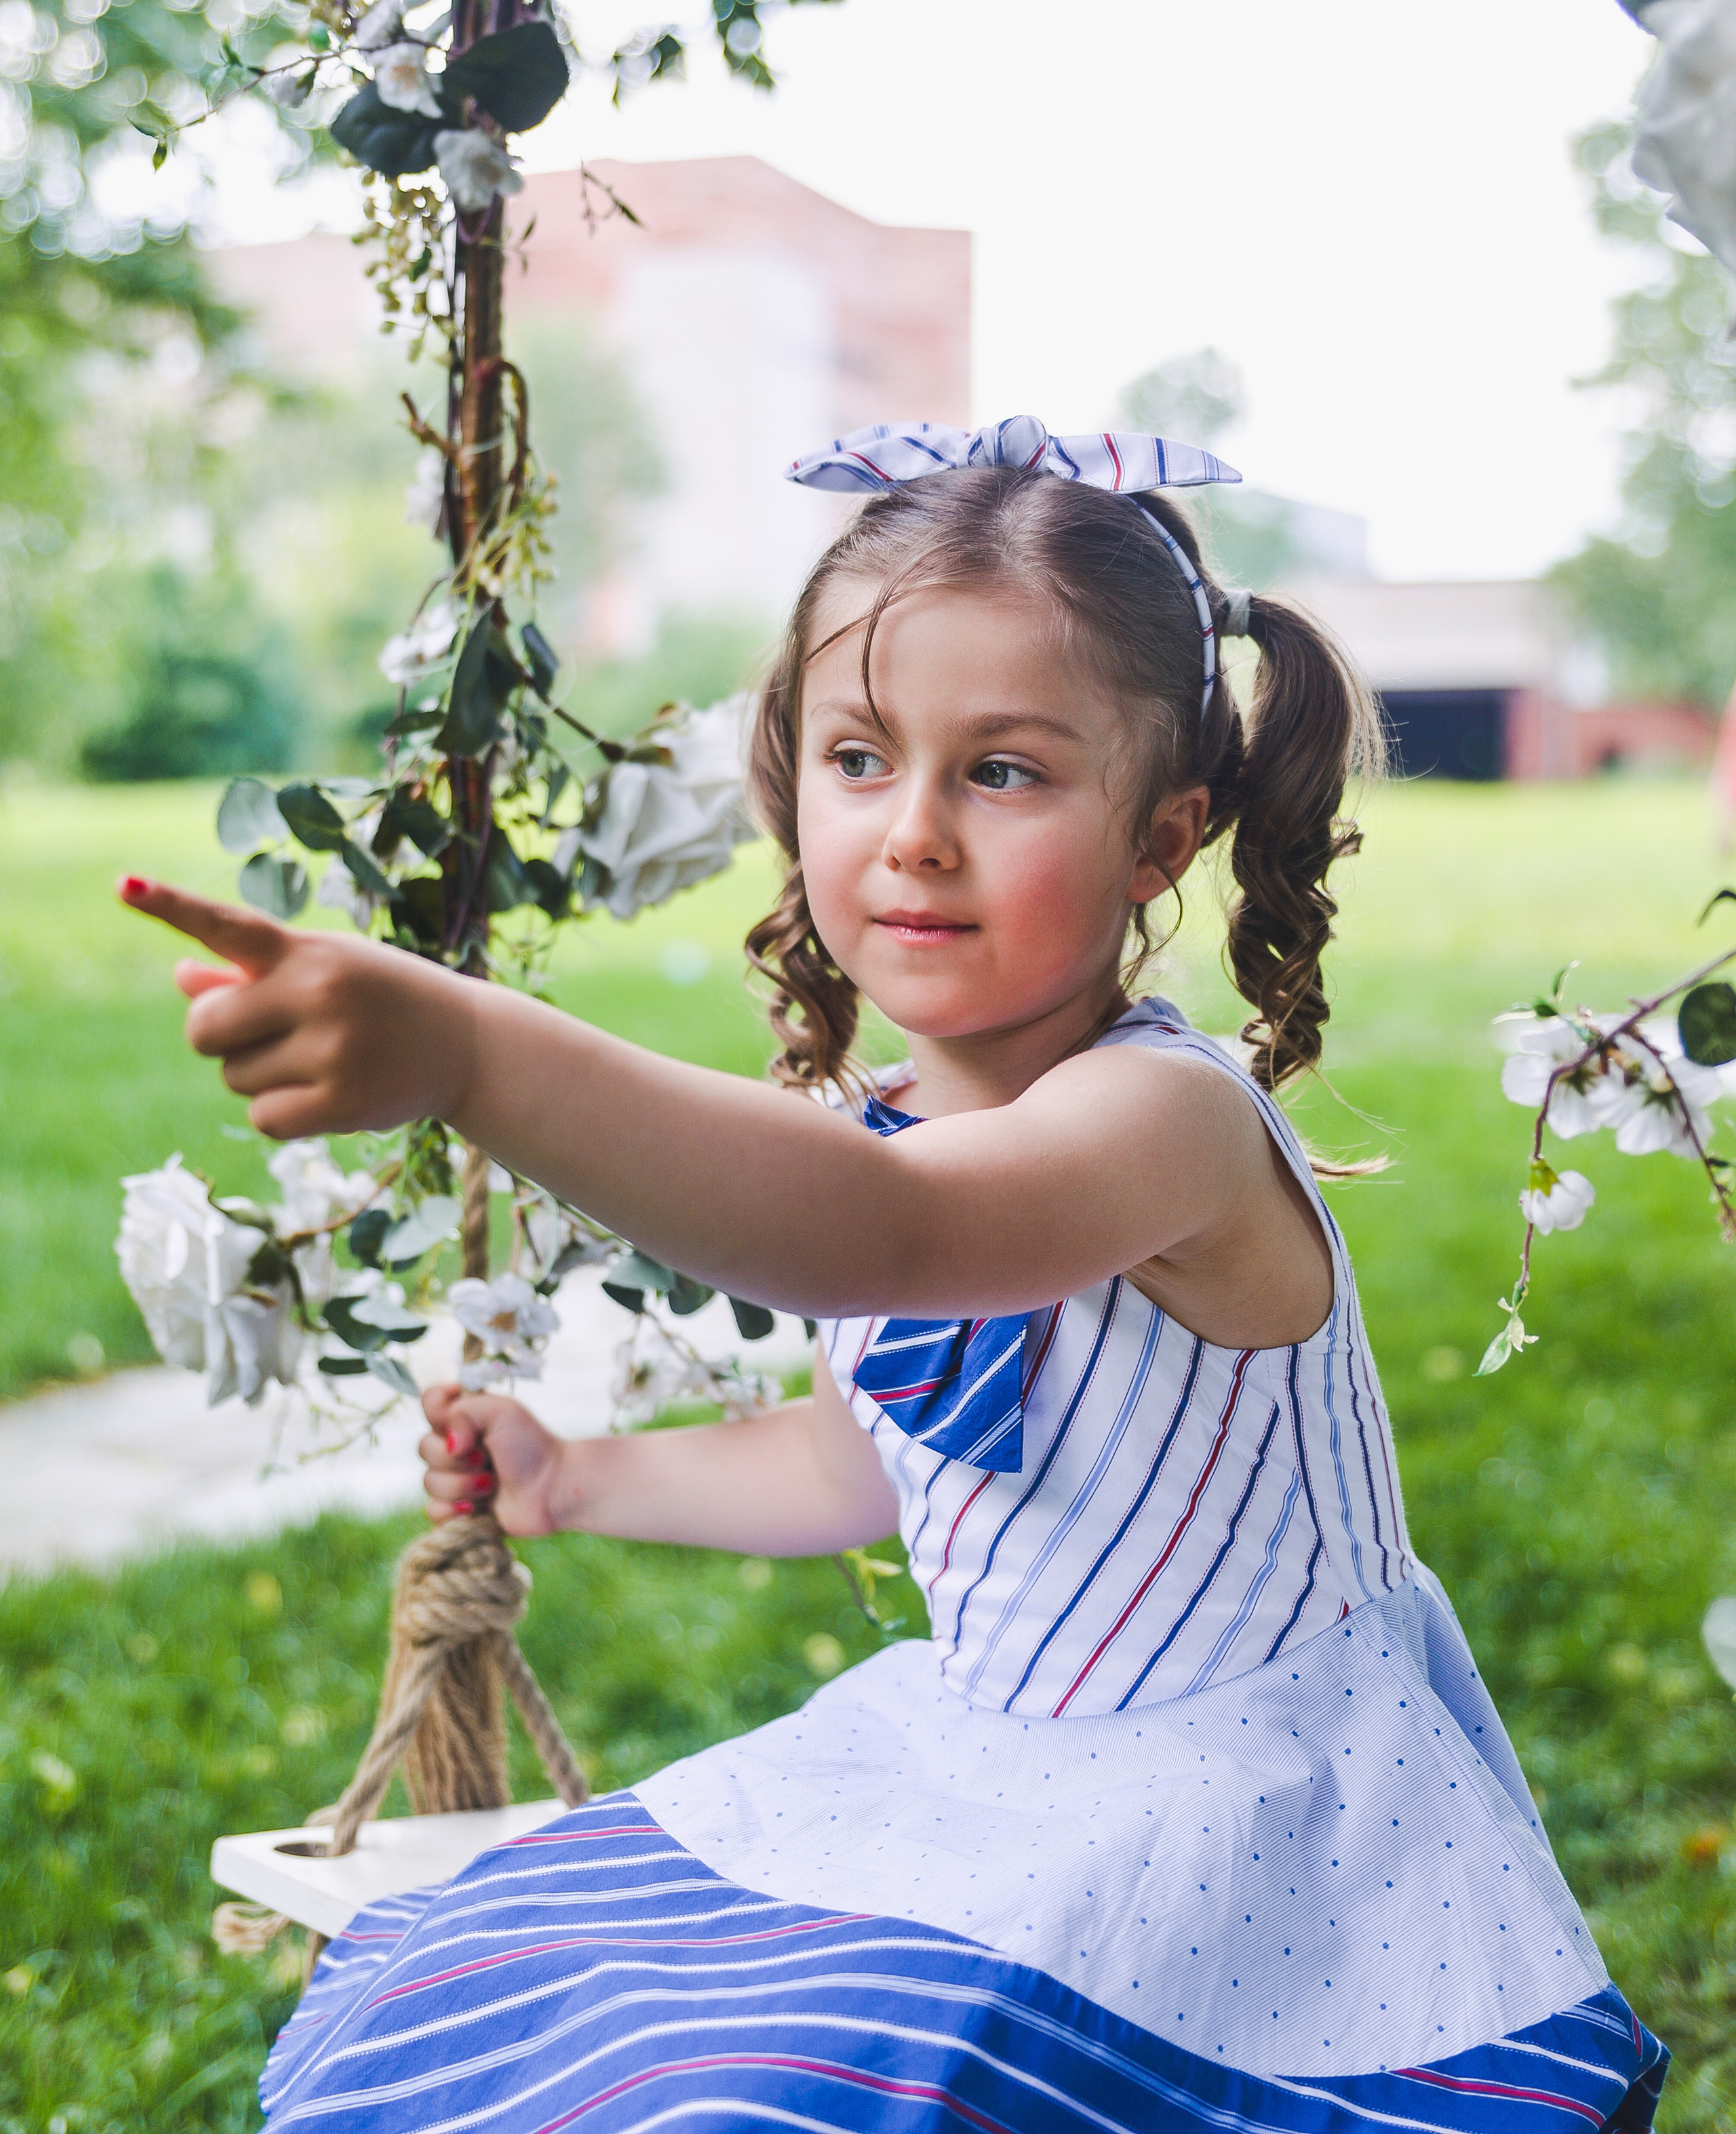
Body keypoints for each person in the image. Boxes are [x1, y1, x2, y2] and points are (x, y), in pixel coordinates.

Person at [122, 418, 1665, 2131]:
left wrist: (479, 1059)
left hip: (1243, 1818)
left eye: (1000, 772)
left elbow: (884, 1233)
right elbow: (856, 1461)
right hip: (1001, 1756)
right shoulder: (891, 1128)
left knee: (851, 2083)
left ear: (1163, 839)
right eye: (860, 757)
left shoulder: (1164, 1124)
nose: (913, 833)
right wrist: (583, 1478)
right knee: (555, 1982)